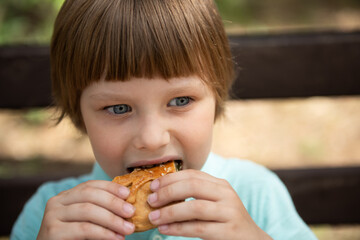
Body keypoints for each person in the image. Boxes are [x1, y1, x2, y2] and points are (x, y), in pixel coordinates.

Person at [11, 0, 317, 239]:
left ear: (216, 97)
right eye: (118, 108)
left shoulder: (256, 195)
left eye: (180, 101)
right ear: (79, 112)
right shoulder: (51, 217)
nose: (152, 138)